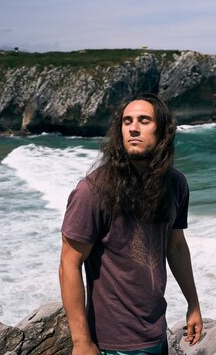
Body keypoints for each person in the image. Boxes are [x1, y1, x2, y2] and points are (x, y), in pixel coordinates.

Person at [59, 93, 203, 355]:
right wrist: (81, 342)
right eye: (127, 121)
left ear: (163, 131)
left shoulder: (176, 184)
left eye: (144, 120)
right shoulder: (92, 191)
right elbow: (69, 262)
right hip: (112, 343)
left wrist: (193, 304)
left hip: (156, 332)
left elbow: (177, 245)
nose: (133, 128)